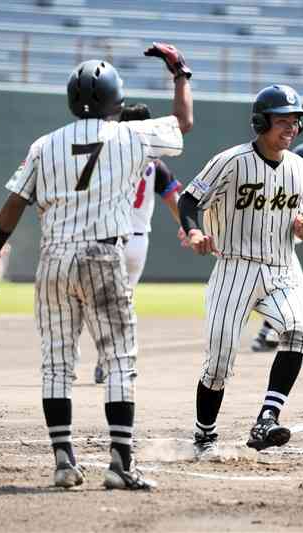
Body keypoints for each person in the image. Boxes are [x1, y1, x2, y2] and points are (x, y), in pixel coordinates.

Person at [0, 43, 193, 490]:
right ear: (117, 99)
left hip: (53, 258)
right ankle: (120, 463)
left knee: (56, 362)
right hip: (101, 254)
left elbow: (15, 201)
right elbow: (183, 124)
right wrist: (180, 73)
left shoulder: (44, 144)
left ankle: (63, 461)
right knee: (118, 361)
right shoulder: (133, 136)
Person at [178, 84, 303, 454]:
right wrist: (193, 230)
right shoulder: (231, 161)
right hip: (234, 268)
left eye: (295, 122)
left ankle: (266, 420)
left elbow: (293, 215)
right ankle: (205, 432)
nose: (291, 128)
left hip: (280, 268)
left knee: (298, 330)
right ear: (261, 122)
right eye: (282, 120)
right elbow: (188, 199)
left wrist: (300, 225)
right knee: (219, 363)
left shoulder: (299, 167)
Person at [92, 103, 184, 384]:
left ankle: (108, 358)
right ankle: (121, 360)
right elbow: (173, 200)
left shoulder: (110, 157)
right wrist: (187, 227)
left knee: (104, 304)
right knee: (126, 301)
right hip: (139, 242)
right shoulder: (156, 164)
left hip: (111, 238)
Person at [251, 141, 303, 352]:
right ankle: (267, 335)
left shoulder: (280, 178)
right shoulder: (302, 185)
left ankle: (267, 335)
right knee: (293, 292)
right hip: (280, 249)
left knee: (283, 291)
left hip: (274, 245)